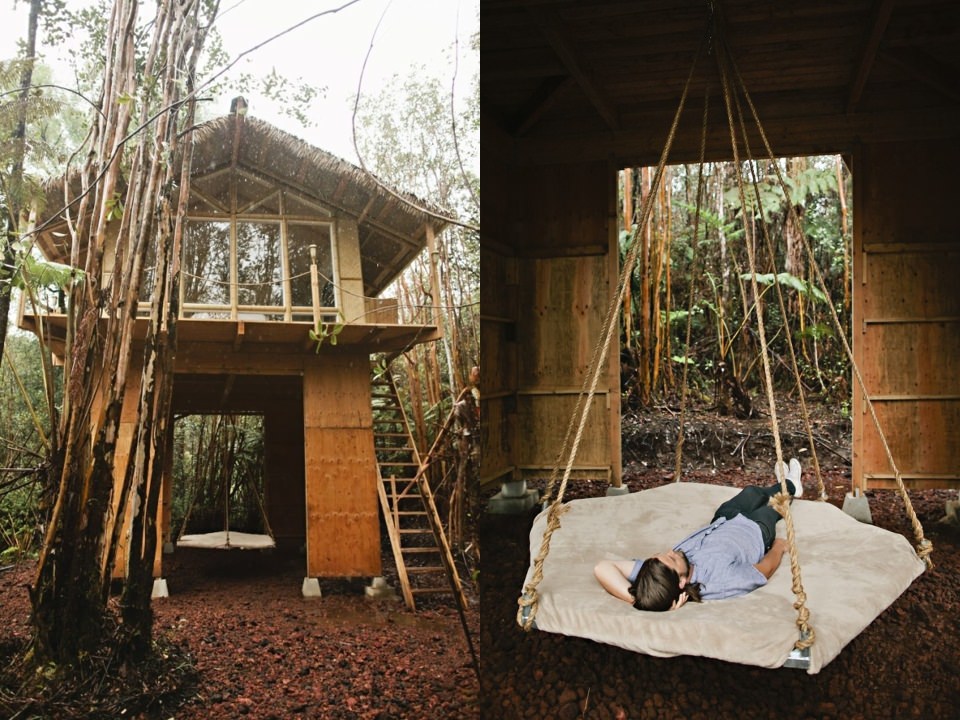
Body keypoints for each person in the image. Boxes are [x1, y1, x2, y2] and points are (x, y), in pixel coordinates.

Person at [594, 458, 803, 611]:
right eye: (672, 558)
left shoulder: (656, 575)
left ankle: (780, 482)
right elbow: (762, 571)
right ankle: (793, 484)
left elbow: (602, 568)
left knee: (752, 492)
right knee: (776, 503)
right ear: (682, 583)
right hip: (755, 531)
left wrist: (638, 600)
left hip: (724, 521)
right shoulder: (717, 582)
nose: (671, 551)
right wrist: (778, 547)